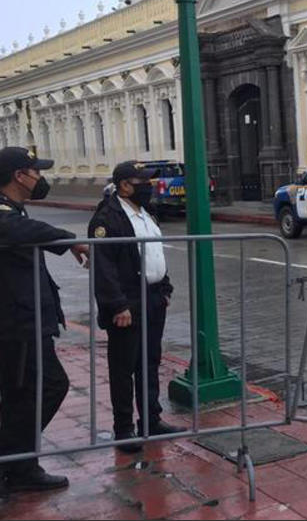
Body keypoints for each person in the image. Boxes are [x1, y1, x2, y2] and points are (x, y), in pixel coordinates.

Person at [0, 147, 89, 496]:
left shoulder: (15, 212)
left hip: (25, 320)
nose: (40, 178)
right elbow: (15, 229)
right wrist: (68, 240)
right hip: (16, 324)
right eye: (35, 171)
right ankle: (14, 462)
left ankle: (21, 465)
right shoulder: (6, 214)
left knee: (22, 394)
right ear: (19, 176)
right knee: (45, 387)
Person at [88, 161, 183, 454]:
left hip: (153, 298)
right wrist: (118, 305)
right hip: (127, 303)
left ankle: (151, 421)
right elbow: (103, 268)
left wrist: (164, 289)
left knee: (149, 362)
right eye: (142, 181)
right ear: (125, 185)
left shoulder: (146, 213)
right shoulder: (108, 218)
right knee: (123, 367)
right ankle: (124, 428)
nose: (149, 185)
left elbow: (154, 253)